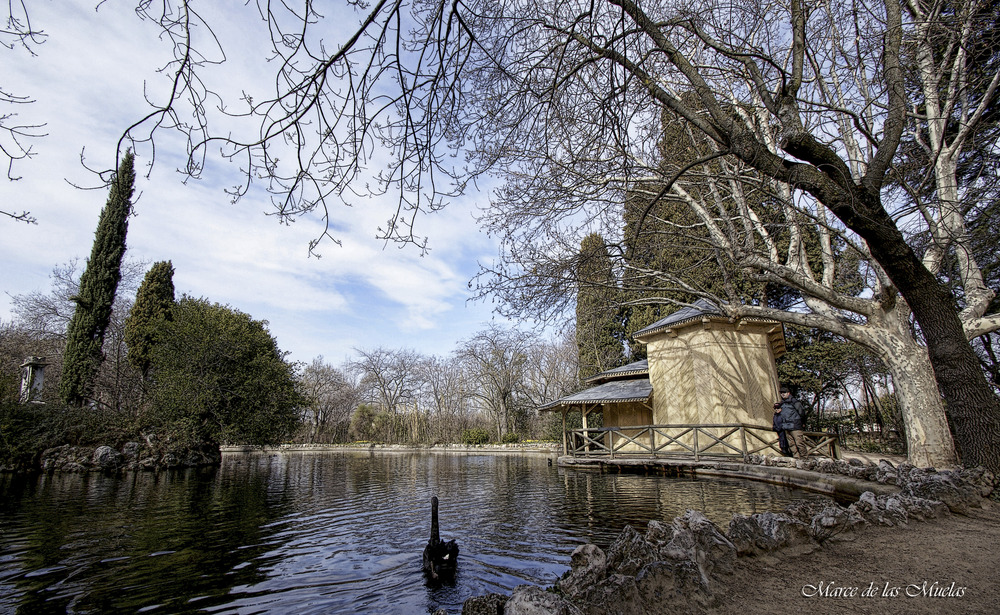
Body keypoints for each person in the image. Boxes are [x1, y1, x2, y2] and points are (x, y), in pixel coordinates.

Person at [776, 386, 808, 458]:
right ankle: (796, 457)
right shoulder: (782, 403)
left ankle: (804, 457)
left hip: (795, 426)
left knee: (799, 442)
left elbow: (802, 412)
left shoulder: (794, 402)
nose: (783, 394)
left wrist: (803, 423)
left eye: (784, 392)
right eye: (781, 393)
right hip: (786, 426)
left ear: (788, 393)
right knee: (791, 444)